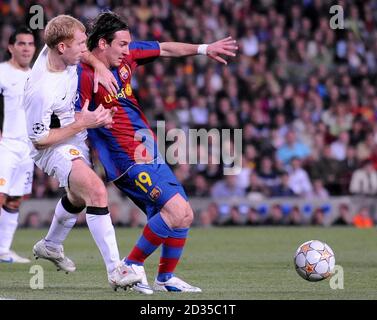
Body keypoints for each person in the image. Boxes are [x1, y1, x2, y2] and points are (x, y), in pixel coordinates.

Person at [75, 12, 237, 293]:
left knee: (184, 214)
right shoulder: (84, 75)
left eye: (128, 44)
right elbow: (78, 116)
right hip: (125, 160)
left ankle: (165, 278)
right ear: (103, 43)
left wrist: (203, 49)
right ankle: (129, 266)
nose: (127, 50)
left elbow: (165, 48)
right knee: (174, 211)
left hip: (147, 150)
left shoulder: (127, 59)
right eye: (122, 44)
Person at [23, 15, 141, 290]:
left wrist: (99, 67)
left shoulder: (59, 49)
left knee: (77, 197)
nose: (84, 48)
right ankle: (116, 271)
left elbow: (84, 51)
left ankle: (50, 244)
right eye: (79, 44)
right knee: (96, 192)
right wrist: (84, 122)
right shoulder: (41, 89)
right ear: (62, 48)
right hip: (53, 146)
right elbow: (40, 140)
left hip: (75, 131)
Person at [0, 27, 36, 264]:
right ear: (11, 47)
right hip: (5, 145)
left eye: (30, 44)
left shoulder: (36, 76)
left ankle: (3, 250)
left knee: (15, 199)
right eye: (21, 43)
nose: (26, 48)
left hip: (28, 147)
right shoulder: (2, 72)